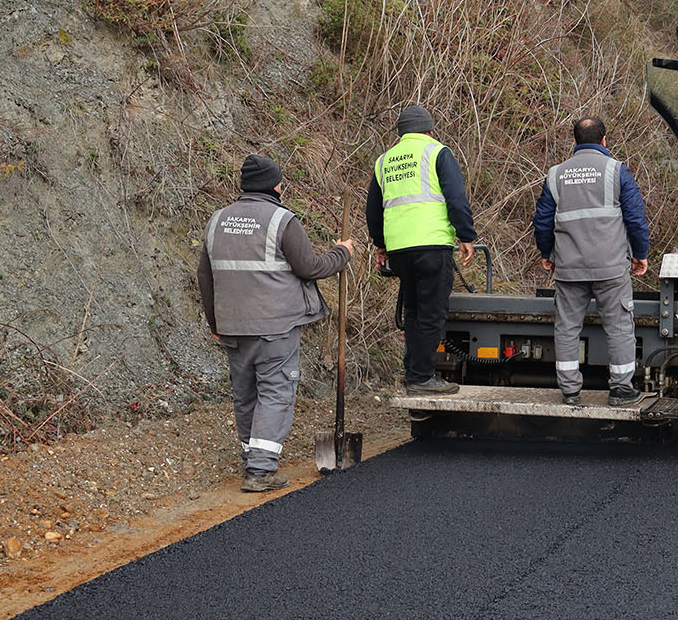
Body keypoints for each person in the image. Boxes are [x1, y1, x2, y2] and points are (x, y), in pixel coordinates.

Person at [197, 155, 353, 492]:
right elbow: (310, 267)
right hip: (275, 326)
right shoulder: (282, 220)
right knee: (275, 391)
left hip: (233, 326)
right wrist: (342, 253)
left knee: (245, 393)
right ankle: (261, 470)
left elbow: (205, 276)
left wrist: (215, 322)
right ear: (276, 186)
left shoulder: (217, 220)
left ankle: (251, 457)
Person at [534, 116, 652, 406]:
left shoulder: (555, 175)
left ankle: (570, 391)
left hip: (569, 268)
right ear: (604, 140)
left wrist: (547, 254)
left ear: (574, 141)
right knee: (619, 327)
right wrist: (640, 254)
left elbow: (543, 221)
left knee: (567, 328)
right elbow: (636, 218)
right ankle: (621, 390)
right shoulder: (616, 170)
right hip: (611, 268)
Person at [367, 103, 475, 396]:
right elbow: (456, 197)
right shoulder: (437, 152)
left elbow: (373, 209)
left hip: (399, 250)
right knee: (431, 313)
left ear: (400, 134)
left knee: (413, 311)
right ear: (430, 131)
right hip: (431, 245)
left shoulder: (384, 161)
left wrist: (380, 245)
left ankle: (414, 374)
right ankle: (422, 377)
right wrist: (466, 235)